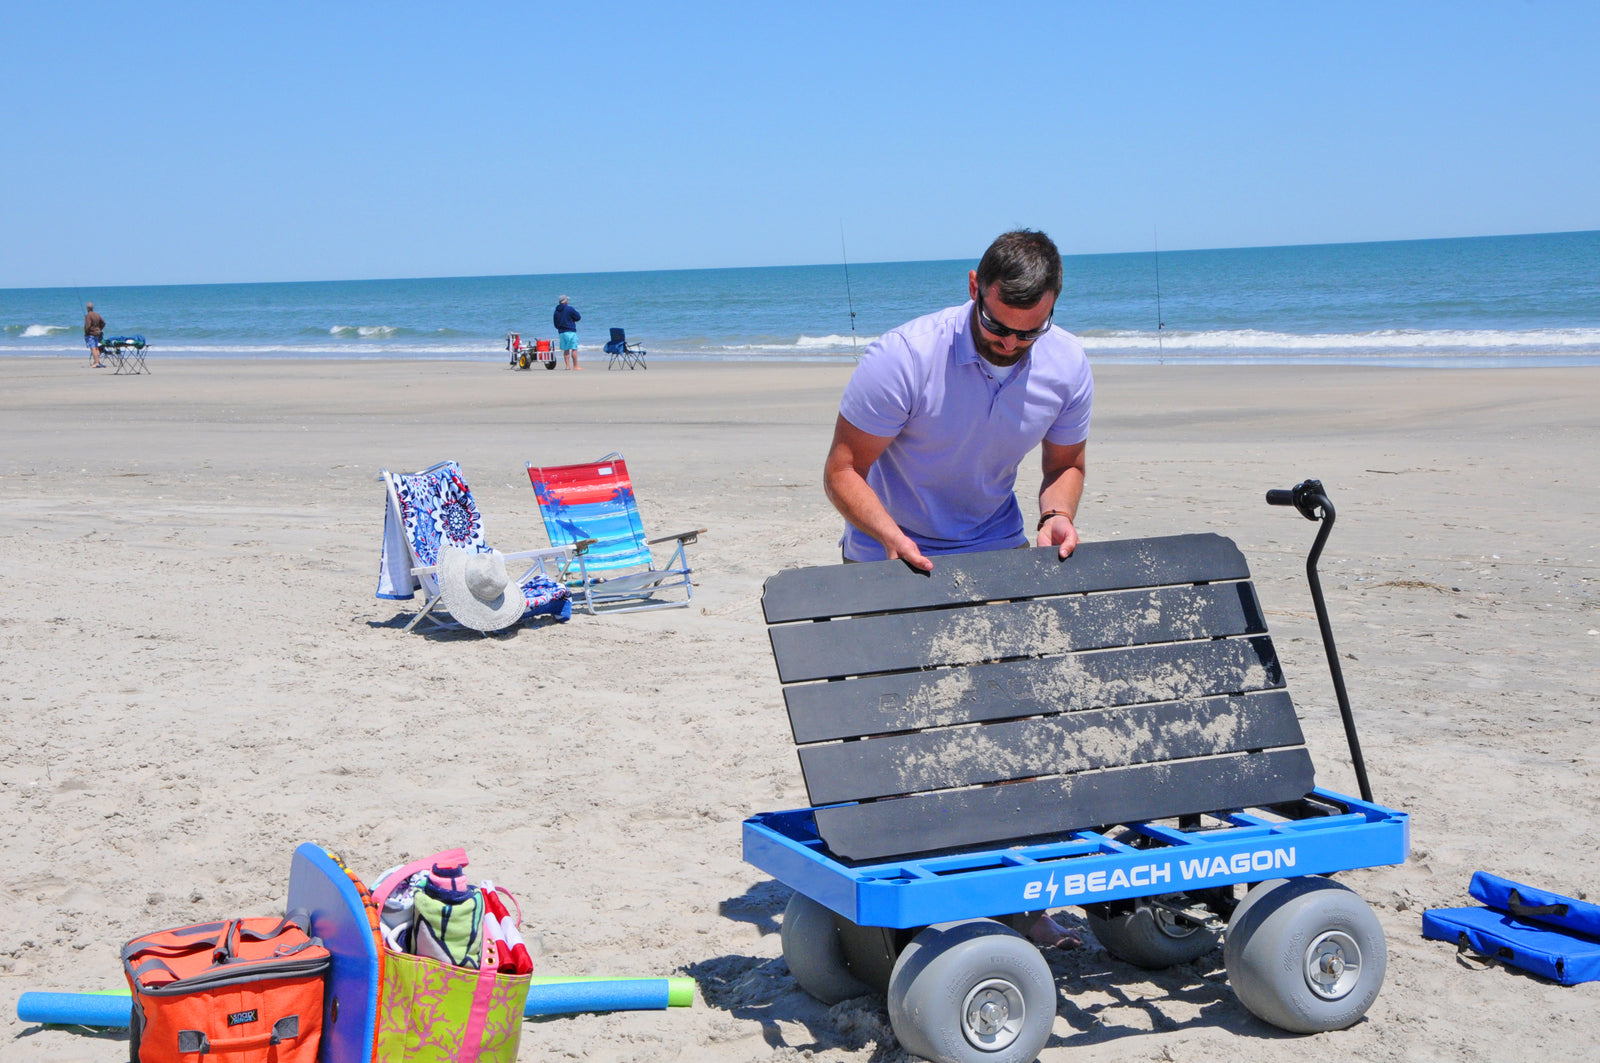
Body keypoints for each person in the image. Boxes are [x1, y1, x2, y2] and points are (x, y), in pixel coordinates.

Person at [821, 229, 1094, 947]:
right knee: (901, 728)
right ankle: (897, 897)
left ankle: (1019, 903)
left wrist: (1057, 514)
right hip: (888, 547)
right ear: (975, 285)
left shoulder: (1065, 363)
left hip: (994, 545)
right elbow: (843, 471)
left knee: (1014, 720)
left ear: (1054, 310)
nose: (1008, 343)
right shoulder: (904, 358)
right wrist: (890, 536)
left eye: (1027, 333)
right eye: (997, 325)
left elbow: (1065, 463)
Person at [553, 295, 581, 370]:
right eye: (567, 300)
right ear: (565, 301)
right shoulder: (569, 309)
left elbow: (555, 323)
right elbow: (578, 317)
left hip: (562, 332)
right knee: (574, 348)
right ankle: (575, 366)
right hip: (570, 331)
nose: (568, 301)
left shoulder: (556, 311)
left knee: (566, 349)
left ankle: (567, 366)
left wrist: (560, 328)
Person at [84, 302, 106, 369]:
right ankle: (98, 362)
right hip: (97, 333)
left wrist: (86, 332)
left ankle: (96, 363)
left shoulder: (88, 315)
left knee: (93, 348)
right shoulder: (97, 314)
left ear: (87, 308)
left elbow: (88, 326)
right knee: (96, 348)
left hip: (91, 334)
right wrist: (99, 329)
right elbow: (103, 323)